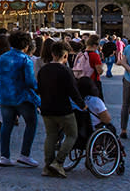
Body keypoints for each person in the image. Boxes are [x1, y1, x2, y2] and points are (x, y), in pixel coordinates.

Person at [37, 40, 85, 178]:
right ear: (65, 56)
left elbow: (39, 89)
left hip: (46, 108)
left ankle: (47, 166)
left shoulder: (43, 70)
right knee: (72, 134)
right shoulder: (66, 71)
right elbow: (73, 91)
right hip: (63, 109)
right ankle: (58, 162)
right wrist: (82, 104)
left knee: (51, 136)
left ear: (52, 54)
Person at [0, 30, 40, 167]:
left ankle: (4, 156)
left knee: (6, 125)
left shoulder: (3, 57)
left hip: (5, 96)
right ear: (26, 45)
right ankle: (24, 154)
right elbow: (30, 81)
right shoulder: (25, 59)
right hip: (22, 97)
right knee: (31, 123)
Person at [84, 34, 105, 99]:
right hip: (93, 81)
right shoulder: (95, 55)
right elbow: (99, 71)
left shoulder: (81, 54)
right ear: (94, 45)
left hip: (83, 80)